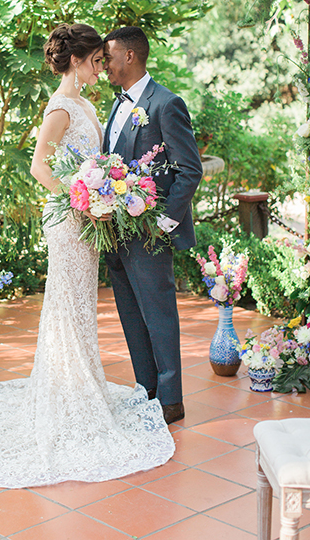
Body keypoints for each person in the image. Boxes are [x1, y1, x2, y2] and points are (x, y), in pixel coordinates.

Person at [0, 23, 174, 488]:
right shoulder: (60, 107)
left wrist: (102, 190)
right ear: (77, 60)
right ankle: (66, 395)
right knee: (65, 306)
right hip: (70, 223)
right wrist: (80, 195)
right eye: (94, 60)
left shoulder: (89, 103)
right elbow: (39, 166)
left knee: (81, 305)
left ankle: (79, 388)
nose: (100, 67)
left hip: (90, 221)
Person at [103, 26, 203, 425]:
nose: (103, 65)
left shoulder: (165, 104)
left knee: (159, 313)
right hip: (115, 230)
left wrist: (162, 224)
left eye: (108, 57)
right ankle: (146, 389)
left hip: (149, 232)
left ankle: (171, 399)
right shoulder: (117, 103)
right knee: (130, 312)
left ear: (129, 56)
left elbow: (189, 170)